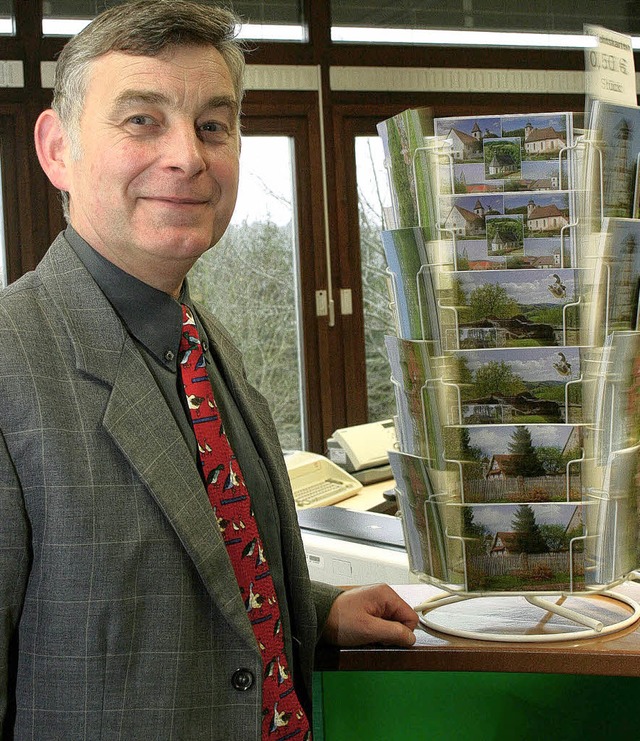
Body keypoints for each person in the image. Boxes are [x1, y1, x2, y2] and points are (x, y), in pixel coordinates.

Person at [0, 1, 418, 738]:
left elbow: (184, 574)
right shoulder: (11, 365)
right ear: (57, 148)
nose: (188, 156)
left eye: (213, 125)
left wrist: (315, 607)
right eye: (141, 120)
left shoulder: (202, 339)